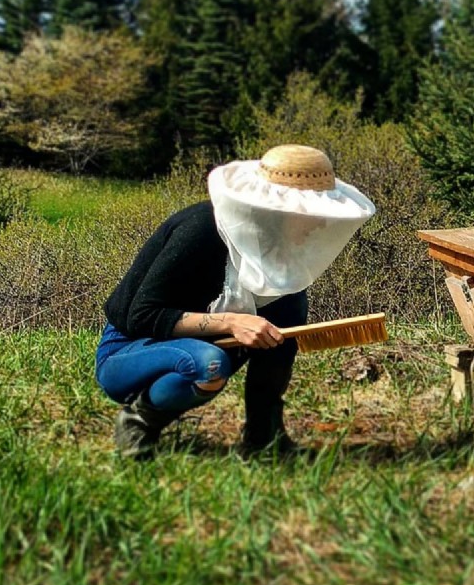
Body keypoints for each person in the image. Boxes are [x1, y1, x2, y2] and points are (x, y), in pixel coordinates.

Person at [95, 144, 376, 458]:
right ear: (282, 211)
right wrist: (232, 321)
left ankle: (264, 437)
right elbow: (141, 316)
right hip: (130, 353)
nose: (321, 224)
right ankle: (138, 421)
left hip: (205, 343)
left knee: (283, 323)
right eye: (312, 215)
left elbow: (279, 347)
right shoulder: (201, 231)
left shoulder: (280, 262)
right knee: (208, 365)